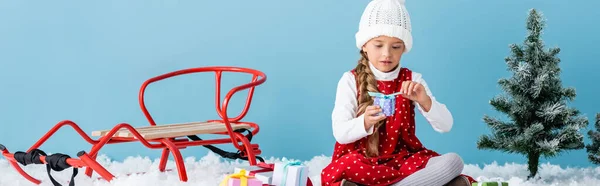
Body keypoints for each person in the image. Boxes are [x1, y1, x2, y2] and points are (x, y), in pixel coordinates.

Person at [320, 0, 476, 185]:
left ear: (404, 48)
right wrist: (365, 121)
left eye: (396, 47)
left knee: (453, 162)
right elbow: (340, 133)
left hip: (404, 160)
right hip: (363, 162)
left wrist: (425, 101)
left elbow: (446, 125)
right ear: (364, 45)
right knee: (346, 166)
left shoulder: (413, 79)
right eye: (378, 45)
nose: (387, 54)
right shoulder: (350, 80)